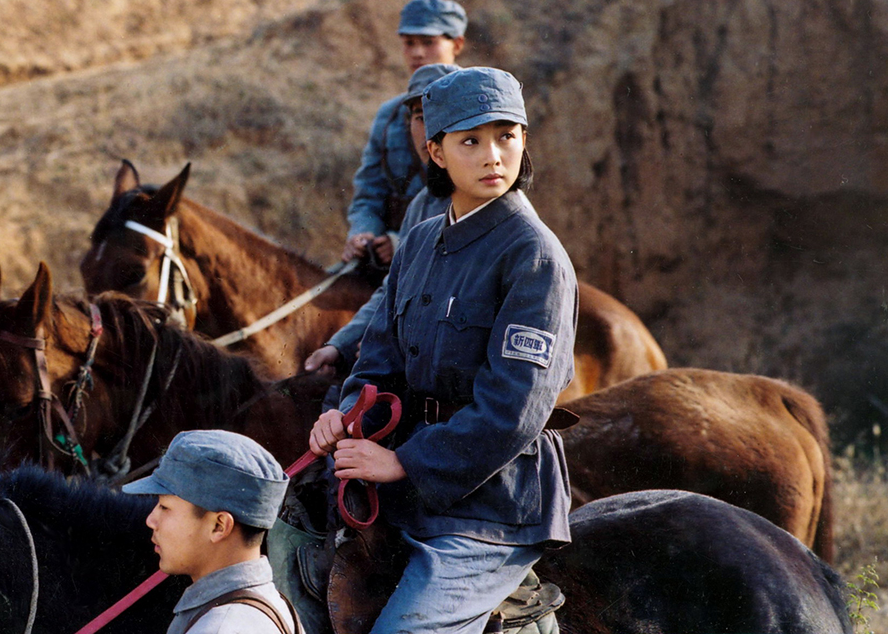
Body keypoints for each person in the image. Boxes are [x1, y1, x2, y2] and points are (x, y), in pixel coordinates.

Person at [310, 67, 578, 634]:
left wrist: (404, 460)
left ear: (524, 141)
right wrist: (346, 416)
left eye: (507, 136)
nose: (493, 157)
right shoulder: (421, 244)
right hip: (409, 491)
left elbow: (515, 409)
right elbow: (378, 361)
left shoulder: (534, 256)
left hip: (492, 508)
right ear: (436, 152)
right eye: (470, 141)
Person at [306, 62, 458, 377]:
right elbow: (392, 289)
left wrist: (391, 344)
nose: (429, 130)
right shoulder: (423, 204)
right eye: (419, 118)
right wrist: (339, 345)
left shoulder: (484, 206)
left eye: (441, 116)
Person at [122, 430, 302, 634]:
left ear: (219, 526)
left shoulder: (221, 627)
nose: (151, 520)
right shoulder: (270, 605)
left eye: (165, 507)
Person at [342, 0, 467, 266]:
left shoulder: (476, 106)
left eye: (429, 42)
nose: (418, 53)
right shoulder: (389, 115)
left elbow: (473, 196)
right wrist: (364, 234)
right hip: (386, 255)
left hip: (453, 255)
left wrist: (401, 242)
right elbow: (369, 191)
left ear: (457, 44)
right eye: (409, 43)